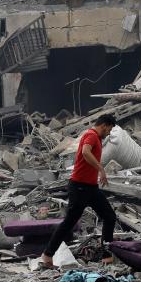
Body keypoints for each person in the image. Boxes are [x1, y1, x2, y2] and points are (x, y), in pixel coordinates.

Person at [42, 114, 118, 267]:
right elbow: (85, 152)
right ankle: (47, 255)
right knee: (69, 222)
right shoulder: (91, 135)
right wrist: (101, 169)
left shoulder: (95, 137)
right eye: (109, 129)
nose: (109, 133)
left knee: (109, 217)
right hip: (79, 188)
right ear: (104, 125)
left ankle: (107, 255)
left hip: (91, 188)